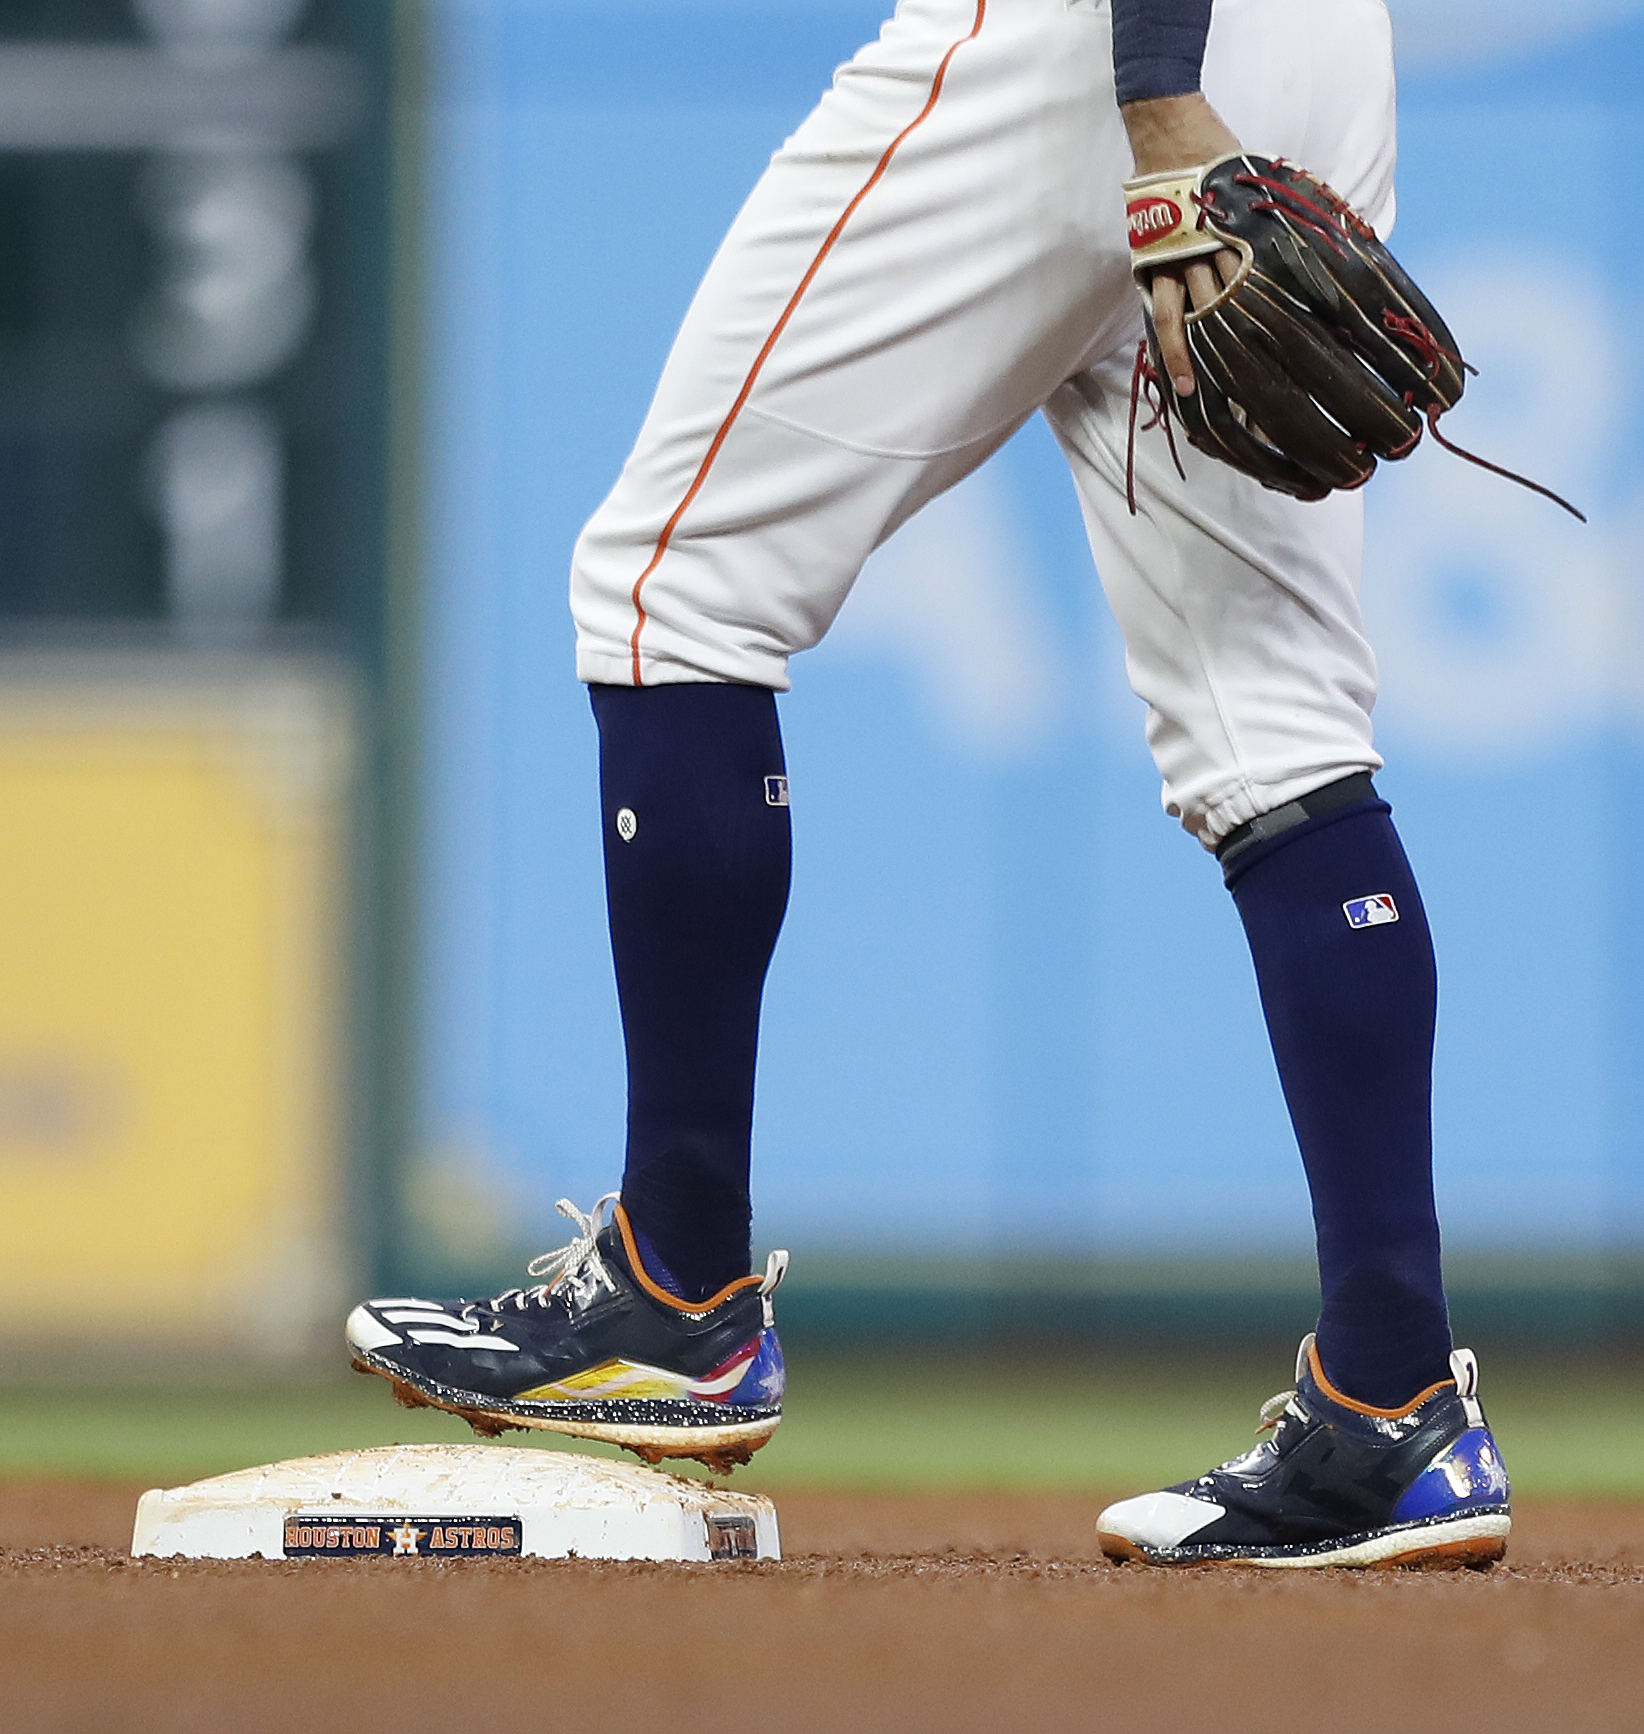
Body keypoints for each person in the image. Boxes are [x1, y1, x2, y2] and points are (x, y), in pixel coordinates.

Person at [347, 0, 1512, 1568]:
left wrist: (1159, 100)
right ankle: (1390, 1400)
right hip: (1306, 48)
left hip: (1101, 55)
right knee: (1281, 735)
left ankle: (671, 1287)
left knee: (672, 584)